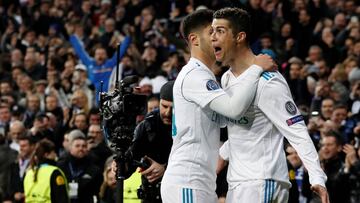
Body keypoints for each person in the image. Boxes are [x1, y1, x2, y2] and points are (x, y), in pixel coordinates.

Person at [211, 7, 329, 203]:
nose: (212, 37)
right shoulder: (227, 78)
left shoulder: (268, 81)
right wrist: (221, 158)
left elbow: (296, 129)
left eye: (220, 31)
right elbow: (245, 127)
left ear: (239, 37)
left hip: (262, 181)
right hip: (240, 182)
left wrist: (317, 176)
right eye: (212, 31)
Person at [160, 9, 276, 203]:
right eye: (211, 32)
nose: (216, 38)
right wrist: (256, 67)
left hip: (201, 181)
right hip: (188, 181)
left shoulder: (206, 76)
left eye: (219, 32)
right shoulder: (194, 76)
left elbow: (230, 119)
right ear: (194, 40)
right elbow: (233, 109)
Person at [112, 81, 174, 202]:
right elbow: (131, 161)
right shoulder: (148, 125)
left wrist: (166, 169)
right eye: (164, 106)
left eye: (173, 108)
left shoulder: (190, 125)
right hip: (151, 195)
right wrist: (121, 165)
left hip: (179, 193)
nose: (168, 113)